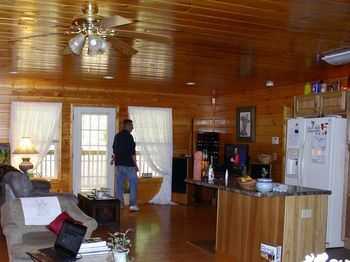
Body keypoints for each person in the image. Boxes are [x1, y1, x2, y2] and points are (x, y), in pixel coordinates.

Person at [110, 119, 139, 211]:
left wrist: (114, 159)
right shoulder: (129, 137)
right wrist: (136, 164)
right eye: (131, 126)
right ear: (128, 126)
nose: (132, 128)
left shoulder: (117, 136)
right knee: (133, 184)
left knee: (119, 184)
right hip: (129, 165)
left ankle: (120, 203)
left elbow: (115, 149)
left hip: (119, 165)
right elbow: (132, 153)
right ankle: (133, 204)